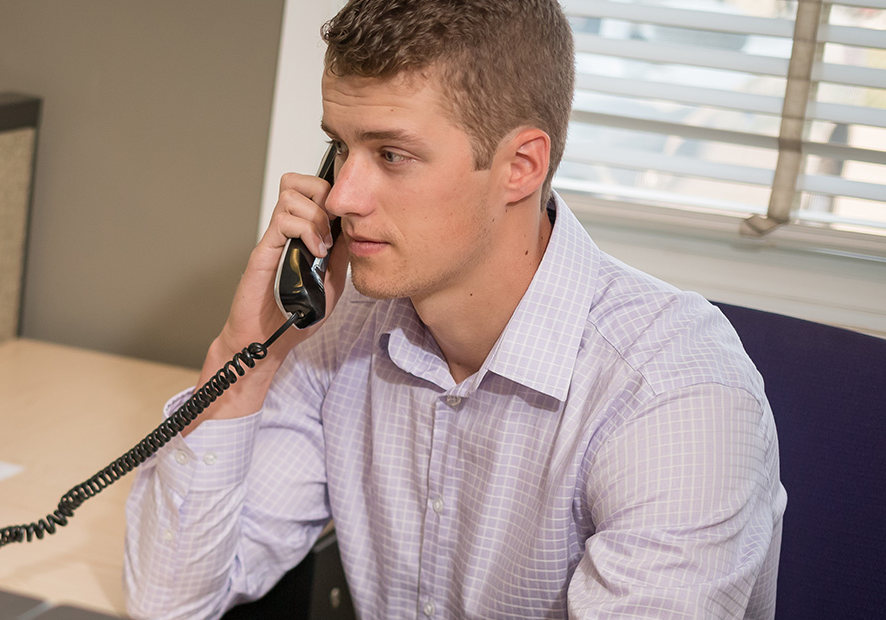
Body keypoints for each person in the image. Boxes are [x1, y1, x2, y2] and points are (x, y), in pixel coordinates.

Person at [122, 1, 785, 618]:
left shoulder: (674, 397)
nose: (343, 196)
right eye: (341, 149)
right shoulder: (344, 329)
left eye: (391, 154)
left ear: (521, 166)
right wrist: (246, 352)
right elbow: (170, 602)